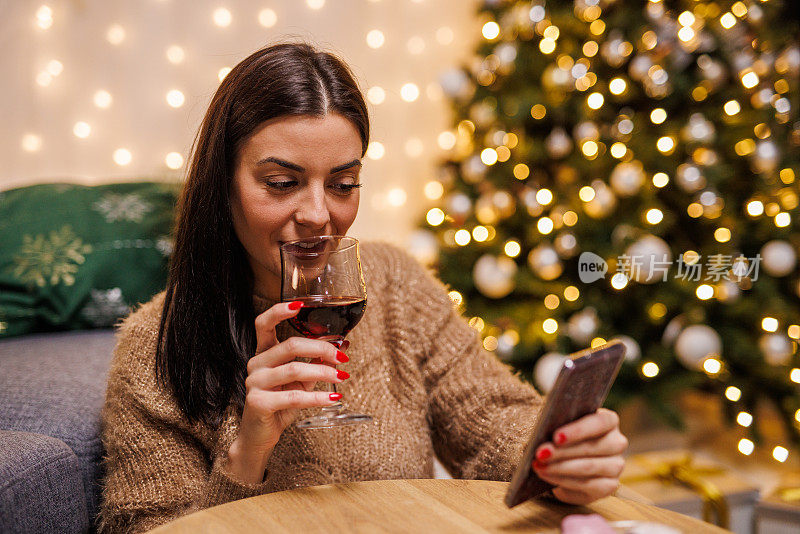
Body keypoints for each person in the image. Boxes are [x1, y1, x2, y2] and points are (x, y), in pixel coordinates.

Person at [98, 42, 628, 533]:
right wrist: (248, 451)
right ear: (222, 185)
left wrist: (564, 453)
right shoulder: (152, 348)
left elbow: (491, 420)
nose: (317, 215)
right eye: (281, 184)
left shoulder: (392, 281)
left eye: (343, 184)